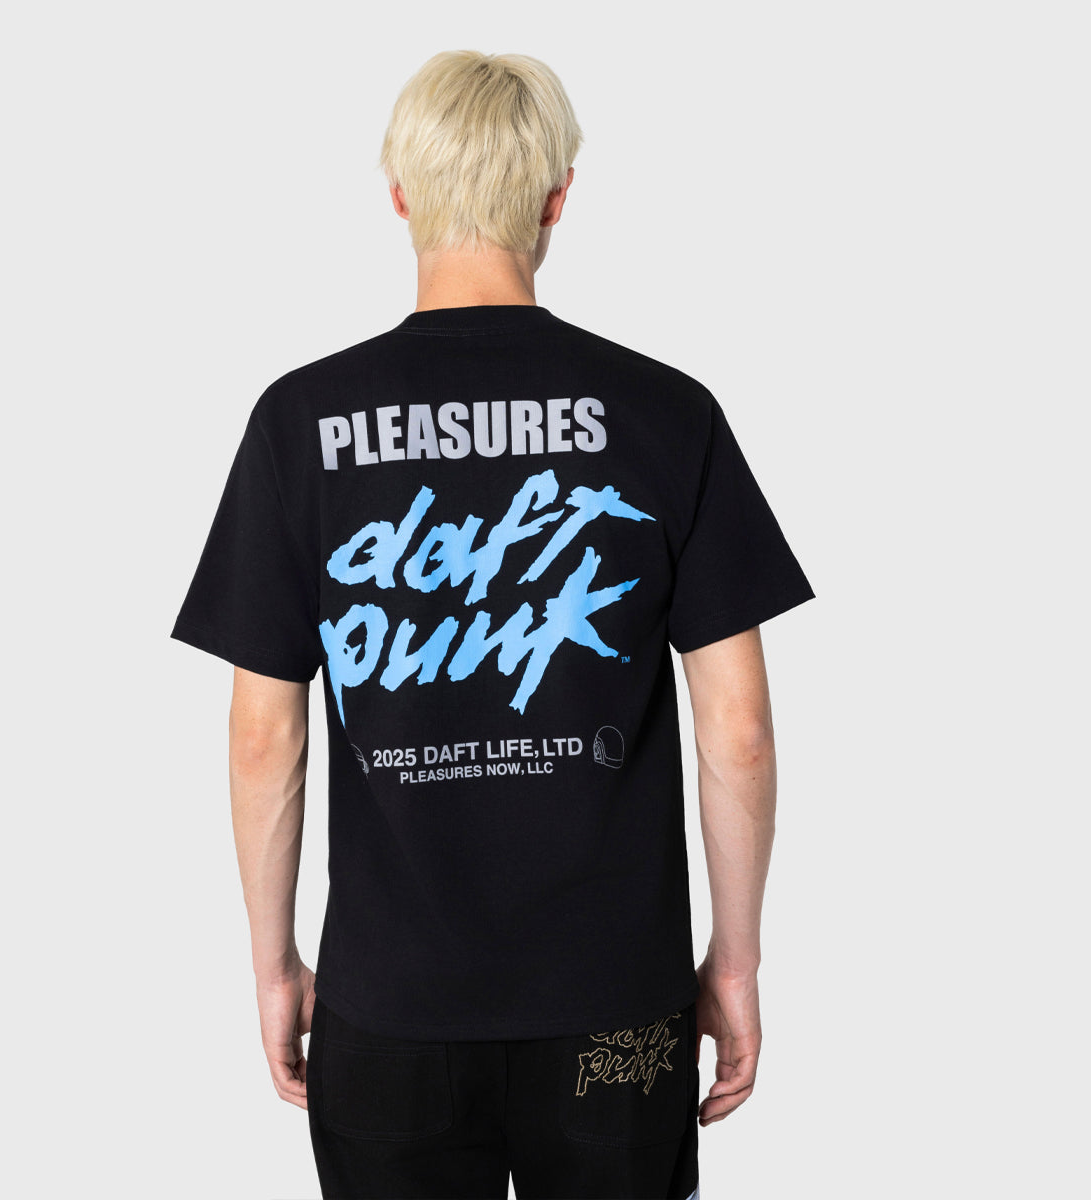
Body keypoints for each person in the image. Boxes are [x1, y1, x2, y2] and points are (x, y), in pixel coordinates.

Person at [171, 49, 814, 1200]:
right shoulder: (665, 413)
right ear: (558, 197)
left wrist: (275, 968)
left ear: (400, 195)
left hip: (389, 1012)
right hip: (619, 1009)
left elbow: (264, 734)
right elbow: (741, 731)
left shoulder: (300, 423)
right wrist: (735, 959)